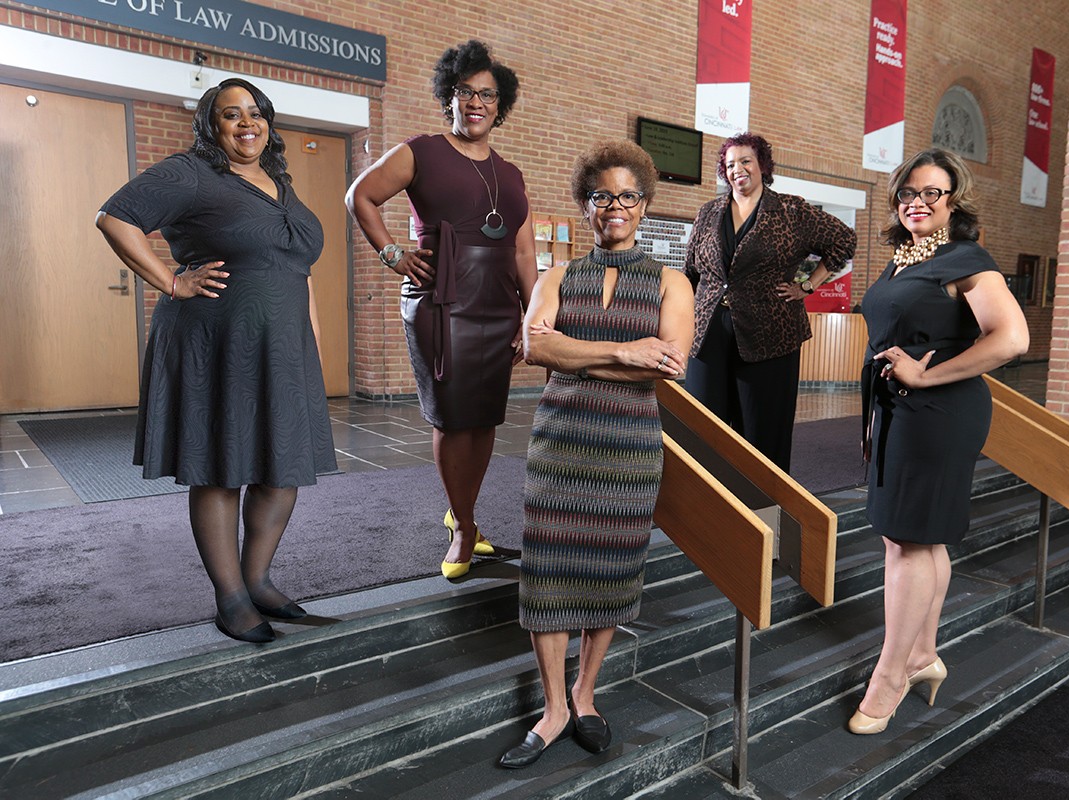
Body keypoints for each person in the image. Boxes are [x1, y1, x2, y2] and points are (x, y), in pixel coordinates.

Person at [96, 77, 335, 644]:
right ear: (211, 124)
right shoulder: (190, 173)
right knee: (223, 467)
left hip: (283, 348)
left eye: (255, 113)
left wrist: (312, 347)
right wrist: (171, 283)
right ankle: (230, 597)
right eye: (231, 114)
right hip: (216, 343)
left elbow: (299, 273)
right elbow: (115, 217)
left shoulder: (278, 180)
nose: (247, 123)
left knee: (282, 469)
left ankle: (257, 580)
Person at [497, 141, 694, 768]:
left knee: (609, 573)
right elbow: (534, 349)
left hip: (629, 451)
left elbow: (668, 363)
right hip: (560, 446)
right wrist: (623, 352)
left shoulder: (672, 281)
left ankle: (586, 692)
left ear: (645, 205)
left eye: (628, 196)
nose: (615, 206)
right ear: (586, 205)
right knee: (549, 574)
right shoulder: (557, 277)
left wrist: (580, 351)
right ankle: (554, 708)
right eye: (602, 196)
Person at [850, 148, 1029, 734]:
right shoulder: (903, 258)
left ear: (954, 201)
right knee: (918, 541)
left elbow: (1011, 339)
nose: (917, 202)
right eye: (908, 192)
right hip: (899, 411)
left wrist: (926, 374)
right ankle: (923, 653)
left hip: (939, 410)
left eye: (932, 193)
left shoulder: (966, 258)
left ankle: (890, 676)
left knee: (906, 541)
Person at [346, 40, 537, 580]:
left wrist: (531, 314)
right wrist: (392, 253)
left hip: (500, 305)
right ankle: (465, 530)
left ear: (501, 105)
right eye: (466, 92)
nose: (476, 103)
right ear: (449, 96)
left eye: (488, 95)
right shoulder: (420, 151)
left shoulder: (512, 173)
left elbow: (523, 250)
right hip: (442, 302)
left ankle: (465, 514)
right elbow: (359, 196)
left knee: (484, 420)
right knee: (454, 419)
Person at [684, 133, 857, 472]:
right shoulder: (708, 212)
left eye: (746, 161)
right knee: (700, 427)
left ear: (763, 165)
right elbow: (691, 271)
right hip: (708, 334)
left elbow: (843, 240)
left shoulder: (791, 210)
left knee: (762, 432)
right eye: (730, 164)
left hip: (771, 334)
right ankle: (705, 510)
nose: (738, 169)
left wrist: (808, 285)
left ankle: (764, 510)